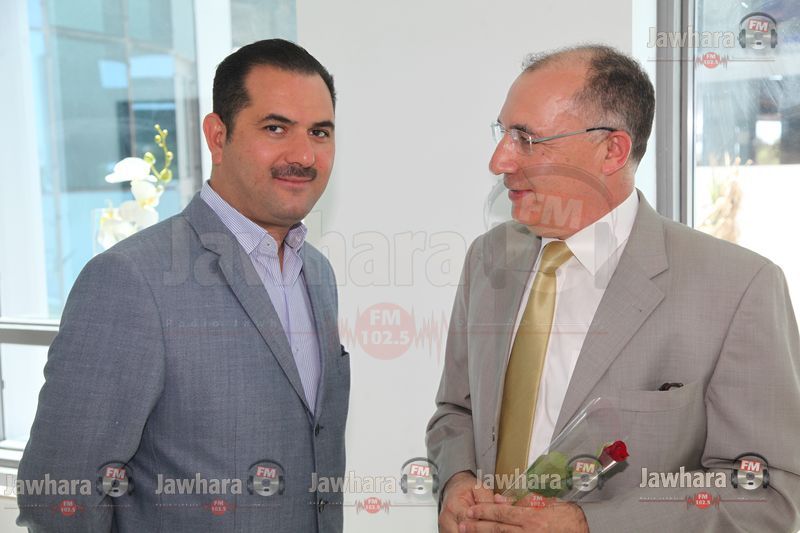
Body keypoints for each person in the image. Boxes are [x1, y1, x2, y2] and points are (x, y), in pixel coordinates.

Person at [426, 45, 800, 532]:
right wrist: (456, 481)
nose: (499, 161)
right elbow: (456, 412)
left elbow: (766, 495)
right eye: (503, 133)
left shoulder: (739, 288)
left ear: (612, 151)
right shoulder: (488, 258)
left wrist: (591, 525)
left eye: (527, 139)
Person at [17, 39, 349, 532]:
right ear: (217, 136)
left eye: (319, 132)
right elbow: (59, 494)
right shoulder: (131, 280)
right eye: (275, 128)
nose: (303, 154)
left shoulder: (317, 274)